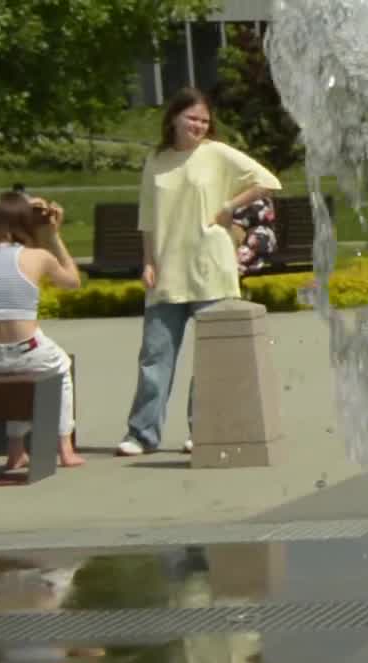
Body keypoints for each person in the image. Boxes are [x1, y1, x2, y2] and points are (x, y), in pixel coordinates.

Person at [117, 88, 280, 457]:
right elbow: (147, 217)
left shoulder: (216, 153)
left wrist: (229, 206)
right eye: (191, 118)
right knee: (155, 357)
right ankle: (142, 433)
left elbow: (267, 181)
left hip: (210, 267)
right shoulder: (156, 159)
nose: (198, 125)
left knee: (211, 358)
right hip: (167, 269)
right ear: (174, 118)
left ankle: (204, 429)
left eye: (204, 120)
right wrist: (148, 261)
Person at [0, 192, 85, 473]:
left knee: (14, 379)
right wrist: (53, 236)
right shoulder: (38, 256)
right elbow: (73, 282)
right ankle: (65, 448)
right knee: (61, 368)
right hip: (28, 350)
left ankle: (16, 450)